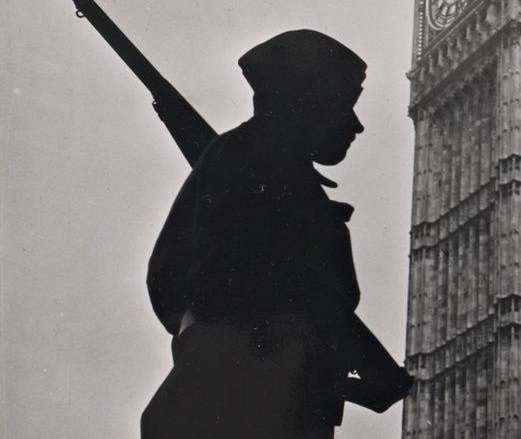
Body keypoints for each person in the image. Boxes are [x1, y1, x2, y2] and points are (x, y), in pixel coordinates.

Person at [141, 30, 412, 438]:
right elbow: (310, 300)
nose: (356, 125)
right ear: (304, 102)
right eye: (345, 104)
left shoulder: (265, 171)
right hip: (253, 396)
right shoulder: (266, 172)